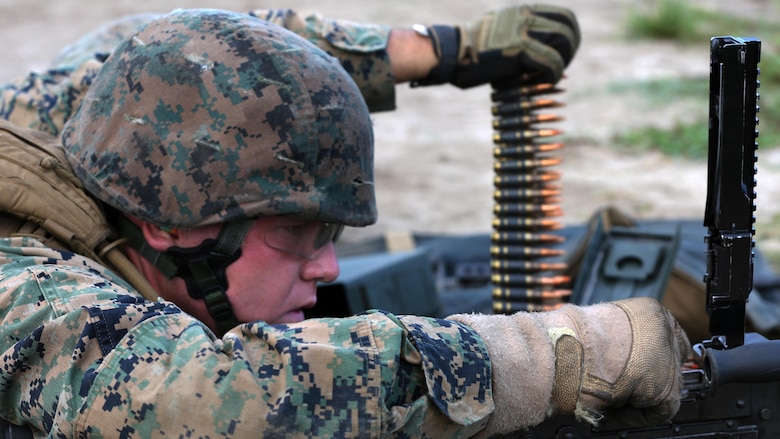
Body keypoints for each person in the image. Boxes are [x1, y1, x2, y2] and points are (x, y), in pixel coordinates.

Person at [0, 7, 692, 438]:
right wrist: (557, 355)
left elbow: (204, 51)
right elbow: (198, 399)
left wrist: (434, 50)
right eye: (291, 234)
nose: (328, 267)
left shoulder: (101, 122)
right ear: (169, 227)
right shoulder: (24, 286)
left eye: (327, 237)